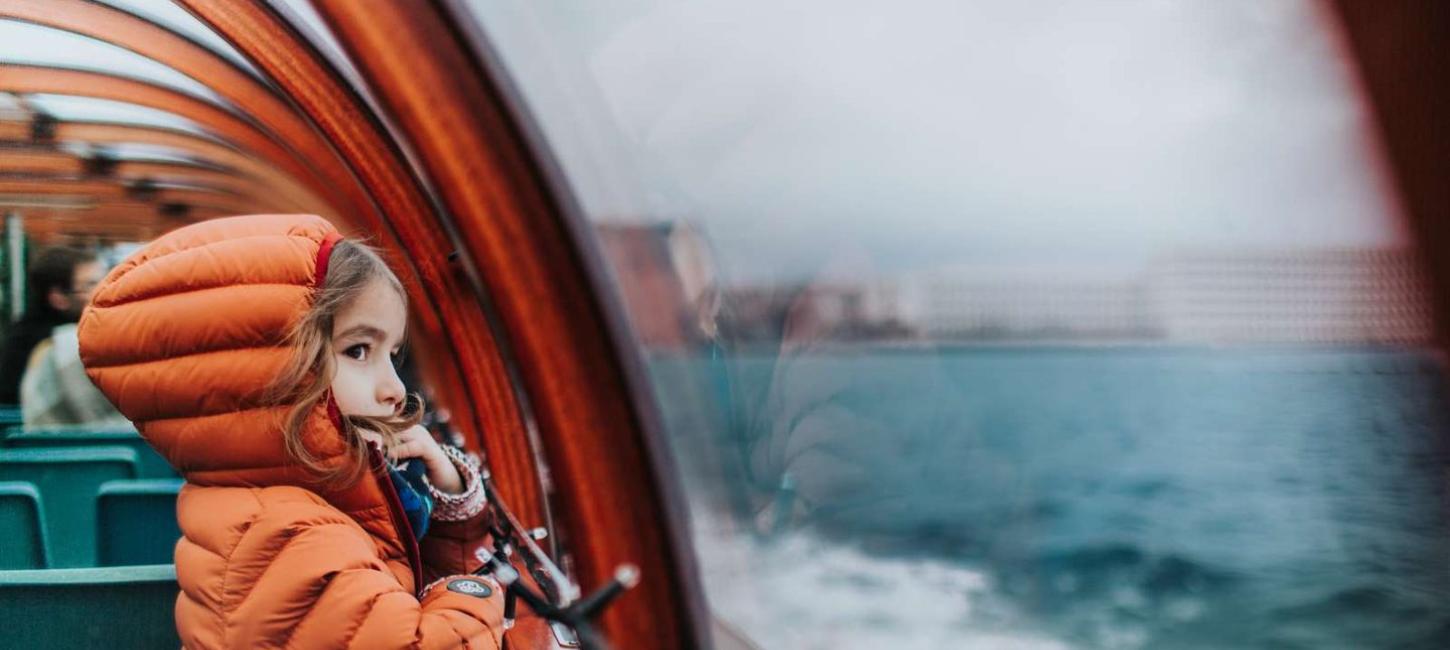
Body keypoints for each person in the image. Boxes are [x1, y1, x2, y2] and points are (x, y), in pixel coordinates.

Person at [77, 214, 505, 648]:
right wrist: (480, 592)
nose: (395, 389)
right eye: (359, 350)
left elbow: (393, 609)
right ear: (267, 374)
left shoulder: (288, 508)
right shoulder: (288, 535)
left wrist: (446, 501)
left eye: (392, 355)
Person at [0, 246, 104, 405]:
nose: (104, 290)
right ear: (59, 298)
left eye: (106, 280)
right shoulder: (54, 344)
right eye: (91, 285)